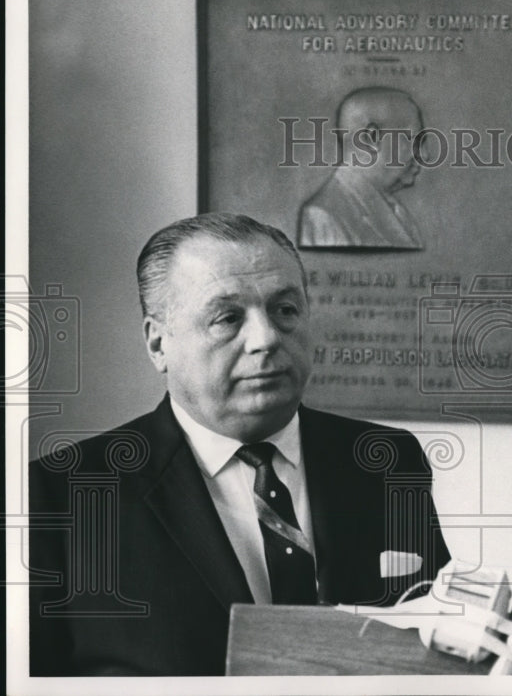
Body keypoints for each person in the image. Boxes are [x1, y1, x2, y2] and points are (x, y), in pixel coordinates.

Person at [29, 213, 450, 676]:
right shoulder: (60, 494)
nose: (267, 338)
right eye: (227, 318)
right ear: (157, 343)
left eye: (285, 310)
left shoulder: (386, 459)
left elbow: (433, 650)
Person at [298, 87, 425, 249]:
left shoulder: (397, 212)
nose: (424, 155)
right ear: (371, 139)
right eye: (412, 139)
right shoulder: (323, 216)